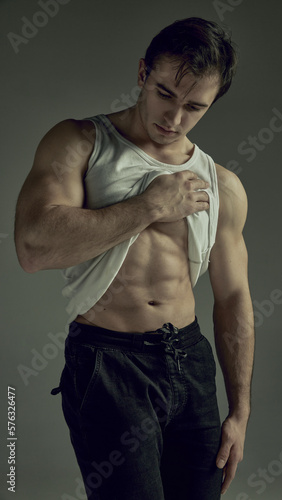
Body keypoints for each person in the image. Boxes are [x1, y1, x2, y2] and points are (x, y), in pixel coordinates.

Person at [14, 17, 255, 500]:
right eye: (165, 93)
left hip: (189, 361)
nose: (174, 117)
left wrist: (239, 412)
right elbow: (32, 248)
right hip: (108, 362)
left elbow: (233, 298)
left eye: (194, 107)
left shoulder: (221, 184)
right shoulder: (80, 143)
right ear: (143, 73)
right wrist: (149, 206)